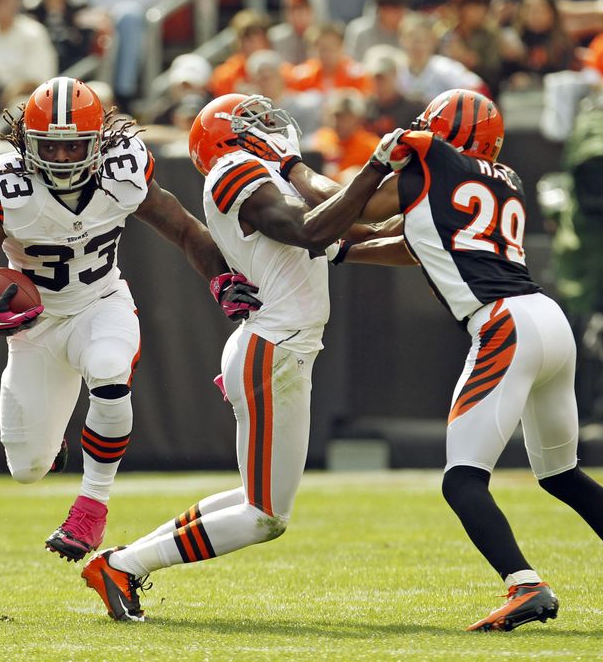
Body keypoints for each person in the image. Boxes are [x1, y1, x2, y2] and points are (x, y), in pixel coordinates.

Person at [79, 93, 408, 621]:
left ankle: (123, 563)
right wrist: (369, 169)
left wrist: (435, 236)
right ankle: (124, 565)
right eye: (255, 123)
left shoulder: (265, 180)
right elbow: (313, 229)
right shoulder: (233, 169)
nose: (273, 129)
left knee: (258, 501)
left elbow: (354, 237)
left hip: (278, 349)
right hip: (272, 350)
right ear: (225, 138)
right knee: (264, 515)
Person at [330, 89, 603, 631]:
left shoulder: (427, 158)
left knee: (462, 481)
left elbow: (350, 213)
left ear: (442, 132)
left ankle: (525, 586)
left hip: (501, 325)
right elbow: (418, 241)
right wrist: (351, 252)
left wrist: (319, 229)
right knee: (564, 475)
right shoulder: (507, 180)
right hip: (547, 318)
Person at [0, 77, 260, 563]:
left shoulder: (122, 172)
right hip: (35, 324)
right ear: (27, 144)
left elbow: (187, 231)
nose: (63, 158)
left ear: (98, 142)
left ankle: (92, 506)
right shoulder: (9, 186)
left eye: (74, 146)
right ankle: (54, 436)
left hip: (100, 302)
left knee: (109, 371)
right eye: (51, 146)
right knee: (27, 468)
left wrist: (222, 280)